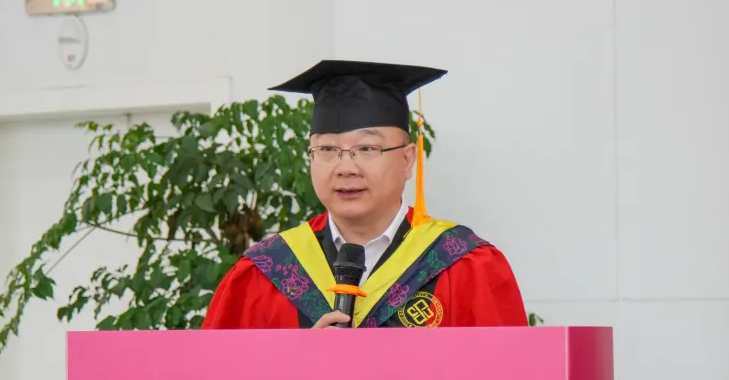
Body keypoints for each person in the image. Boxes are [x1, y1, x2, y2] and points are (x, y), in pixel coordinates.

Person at [201, 59, 528, 330]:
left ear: (407, 159)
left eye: (367, 148)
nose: (346, 168)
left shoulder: (465, 266)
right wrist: (300, 363)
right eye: (327, 149)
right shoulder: (265, 272)